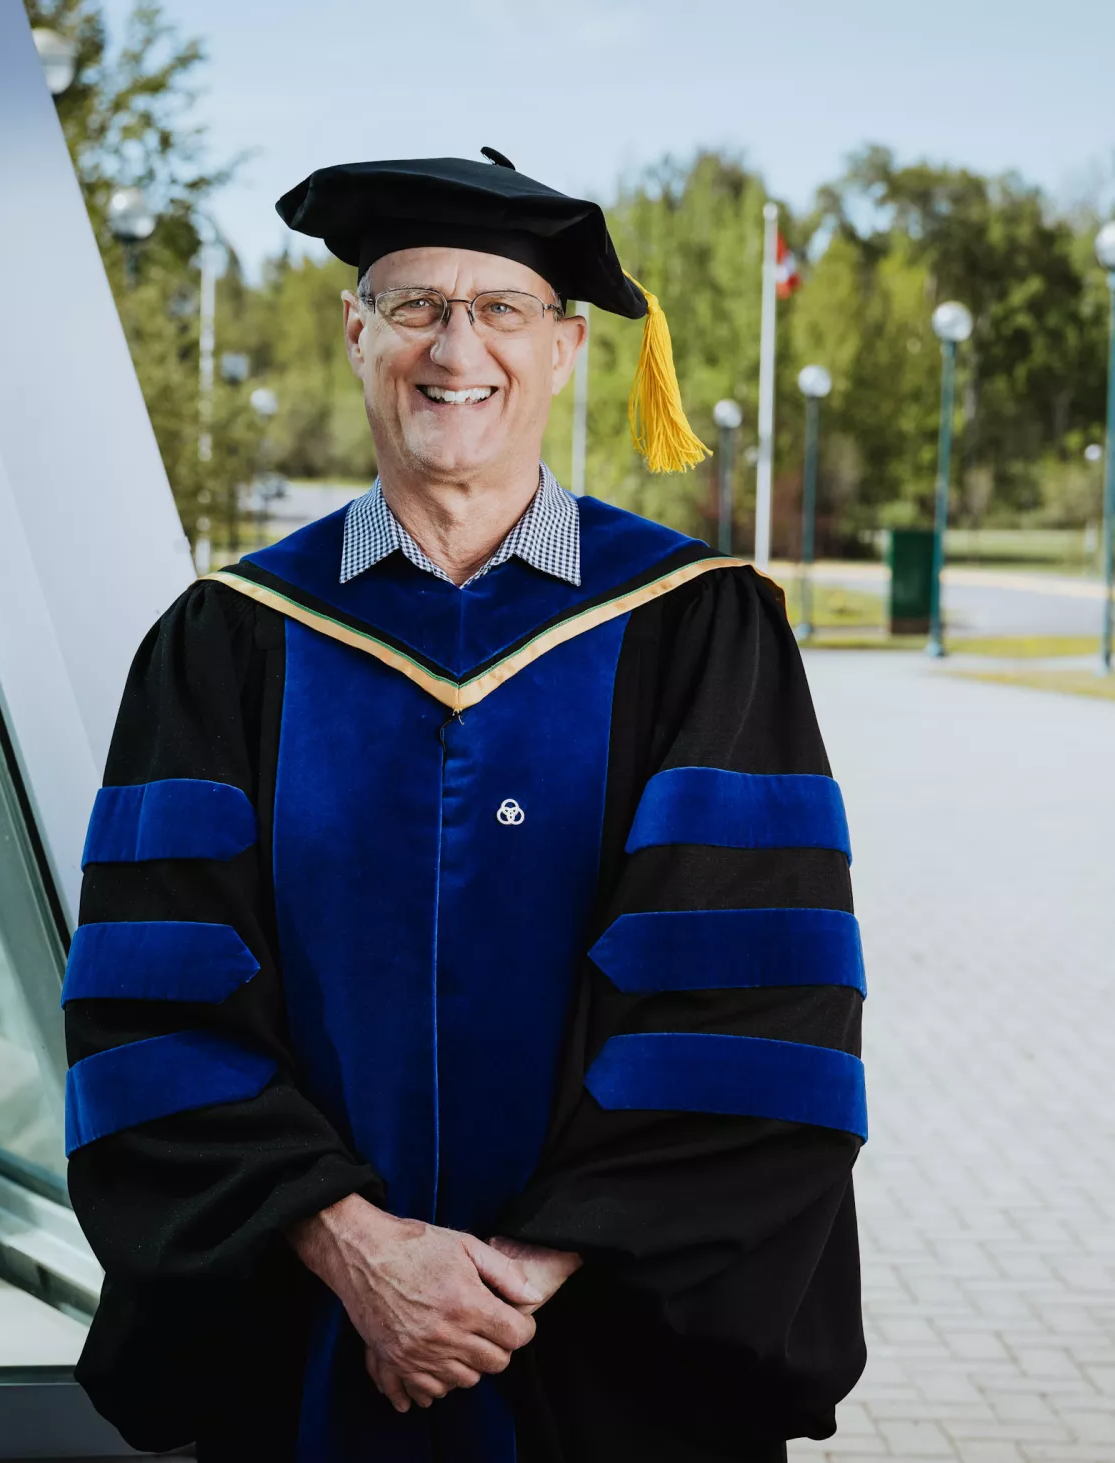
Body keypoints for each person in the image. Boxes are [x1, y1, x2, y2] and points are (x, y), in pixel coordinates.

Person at [62, 150, 867, 1463]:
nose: (456, 346)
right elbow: (151, 1008)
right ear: (355, 331)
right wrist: (358, 1251)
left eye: (499, 309)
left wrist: (518, 1277)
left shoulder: (699, 628)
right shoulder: (224, 639)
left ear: (564, 350)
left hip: (611, 1354)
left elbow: (752, 1008)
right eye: (417, 304)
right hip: (311, 1339)